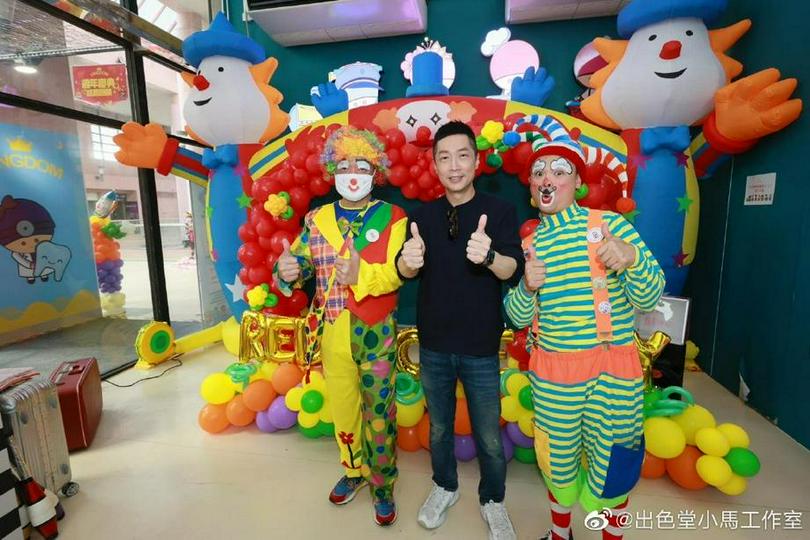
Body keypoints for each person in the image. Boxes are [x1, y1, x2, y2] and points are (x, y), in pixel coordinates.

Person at [502, 123, 665, 540]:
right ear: (530, 187)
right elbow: (517, 318)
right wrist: (526, 285)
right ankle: (561, 535)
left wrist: (629, 258)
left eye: (559, 170)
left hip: (610, 370)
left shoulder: (608, 224)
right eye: (539, 172)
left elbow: (649, 298)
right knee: (556, 461)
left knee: (614, 462)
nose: (547, 179)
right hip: (553, 374)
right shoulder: (531, 242)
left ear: (576, 181)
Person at [396, 121, 522, 539]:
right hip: (433, 344)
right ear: (434, 165)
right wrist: (407, 262)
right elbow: (403, 269)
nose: (454, 165)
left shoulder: (499, 211)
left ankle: (493, 499)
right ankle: (445, 486)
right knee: (438, 427)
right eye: (444, 157)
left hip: (481, 345)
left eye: (462, 155)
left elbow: (512, 268)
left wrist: (488, 257)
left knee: (488, 434)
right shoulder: (421, 217)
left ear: (476, 160)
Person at [275, 127, 406, 526]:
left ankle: (382, 484)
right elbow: (296, 269)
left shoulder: (394, 217)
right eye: (345, 165)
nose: (353, 173)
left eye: (362, 165)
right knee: (344, 408)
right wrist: (287, 272)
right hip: (332, 329)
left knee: (379, 411)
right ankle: (354, 472)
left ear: (376, 171)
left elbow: (396, 274)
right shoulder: (318, 219)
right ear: (332, 170)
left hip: (376, 330)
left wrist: (361, 273)